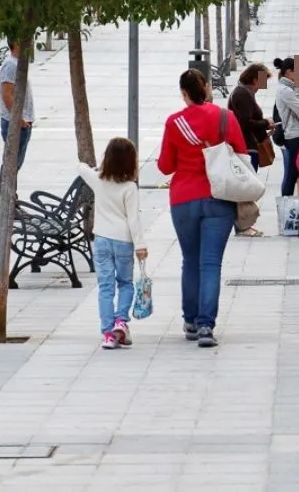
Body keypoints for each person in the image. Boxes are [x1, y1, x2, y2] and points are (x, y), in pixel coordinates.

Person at [158, 69, 247, 348]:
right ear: (207, 88)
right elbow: (242, 154)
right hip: (219, 198)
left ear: (184, 94)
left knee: (190, 260)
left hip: (183, 199)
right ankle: (206, 326)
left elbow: (165, 166)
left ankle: (190, 321)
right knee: (211, 263)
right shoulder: (225, 117)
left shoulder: (175, 122)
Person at [77, 138, 148, 350]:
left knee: (106, 287)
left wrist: (97, 167)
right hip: (124, 241)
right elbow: (134, 219)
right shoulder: (130, 188)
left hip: (101, 240)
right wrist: (140, 246)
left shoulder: (98, 179)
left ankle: (108, 333)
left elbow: (80, 167)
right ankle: (121, 320)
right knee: (125, 283)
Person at [228, 63, 274, 237]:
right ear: (255, 78)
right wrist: (265, 123)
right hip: (246, 147)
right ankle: (243, 224)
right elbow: (245, 123)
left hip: (246, 145)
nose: (264, 85)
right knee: (246, 186)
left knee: (247, 184)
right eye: (263, 80)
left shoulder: (243, 93)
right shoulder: (243, 95)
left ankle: (243, 223)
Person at [273, 57, 299, 196]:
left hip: (298, 133)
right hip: (293, 135)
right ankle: (286, 205)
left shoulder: (292, 88)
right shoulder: (286, 90)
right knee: (292, 173)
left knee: (294, 172)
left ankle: (287, 204)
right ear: (289, 72)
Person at [0, 39, 34, 171]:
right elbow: (7, 95)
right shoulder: (10, 66)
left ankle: (10, 190)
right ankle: (7, 191)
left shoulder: (17, 64)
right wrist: (20, 120)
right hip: (15, 123)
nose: (30, 43)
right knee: (11, 166)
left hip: (22, 123)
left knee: (15, 165)